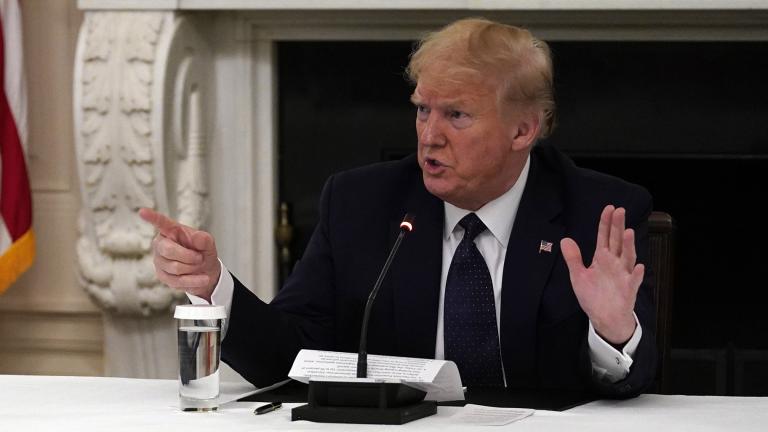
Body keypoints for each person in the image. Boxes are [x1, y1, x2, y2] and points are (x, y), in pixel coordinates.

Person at [139, 18, 656, 397]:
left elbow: (637, 379)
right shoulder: (361, 203)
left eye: (456, 115)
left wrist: (614, 332)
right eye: (423, 110)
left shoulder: (597, 213)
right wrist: (213, 285)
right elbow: (289, 357)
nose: (429, 137)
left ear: (524, 130)